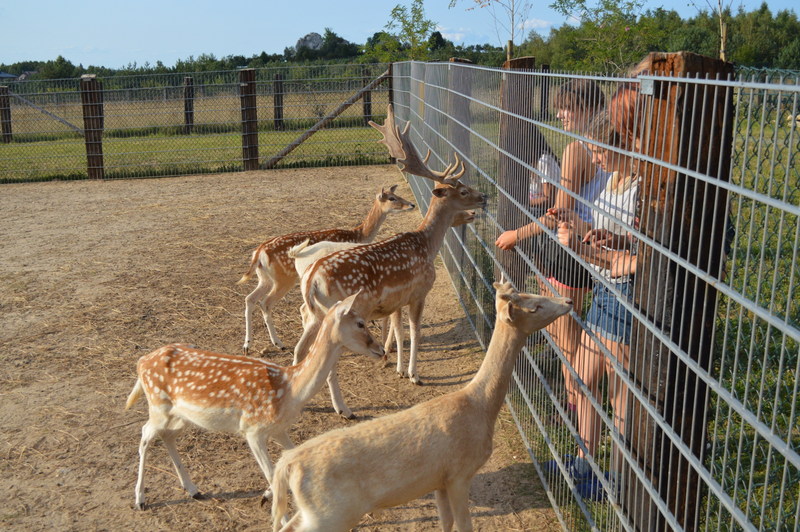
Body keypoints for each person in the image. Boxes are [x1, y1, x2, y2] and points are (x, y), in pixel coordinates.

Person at [495, 78, 610, 423]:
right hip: (595, 249)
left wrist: (517, 234)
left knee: (566, 340)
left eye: (568, 108)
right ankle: (578, 405)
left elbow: (557, 213)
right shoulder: (612, 147)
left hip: (568, 252)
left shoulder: (578, 149)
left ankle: (577, 410)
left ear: (589, 108)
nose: (560, 114)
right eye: (559, 108)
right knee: (571, 335)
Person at [551, 109, 640, 501]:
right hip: (605, 291)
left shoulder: (642, 189)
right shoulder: (612, 180)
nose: (595, 158)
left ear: (623, 144)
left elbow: (639, 249)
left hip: (626, 296)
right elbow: (611, 237)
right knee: (582, 379)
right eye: (592, 150)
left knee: (620, 397)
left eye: (600, 150)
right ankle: (584, 462)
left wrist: (588, 248)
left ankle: (618, 481)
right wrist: (576, 222)